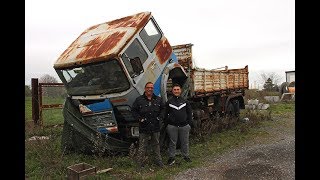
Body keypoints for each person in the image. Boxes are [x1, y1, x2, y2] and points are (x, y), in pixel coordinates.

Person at [132, 82, 165, 168]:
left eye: (151, 87)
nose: (150, 89)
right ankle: (139, 164)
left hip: (155, 126)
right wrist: (140, 118)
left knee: (156, 145)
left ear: (153, 89)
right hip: (144, 126)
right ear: (145, 88)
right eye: (148, 87)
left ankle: (159, 162)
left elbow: (163, 109)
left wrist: (160, 118)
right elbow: (134, 111)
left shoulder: (158, 99)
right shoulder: (139, 100)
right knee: (142, 145)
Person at [164, 83, 193, 165]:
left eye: (178, 89)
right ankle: (171, 158)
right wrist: (167, 125)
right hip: (172, 126)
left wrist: (189, 124)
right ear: (172, 91)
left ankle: (186, 156)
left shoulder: (185, 101)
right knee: (172, 142)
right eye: (175, 90)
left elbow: (190, 113)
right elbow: (165, 114)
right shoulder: (169, 102)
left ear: (180, 91)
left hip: (184, 126)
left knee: (185, 142)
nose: (176, 91)